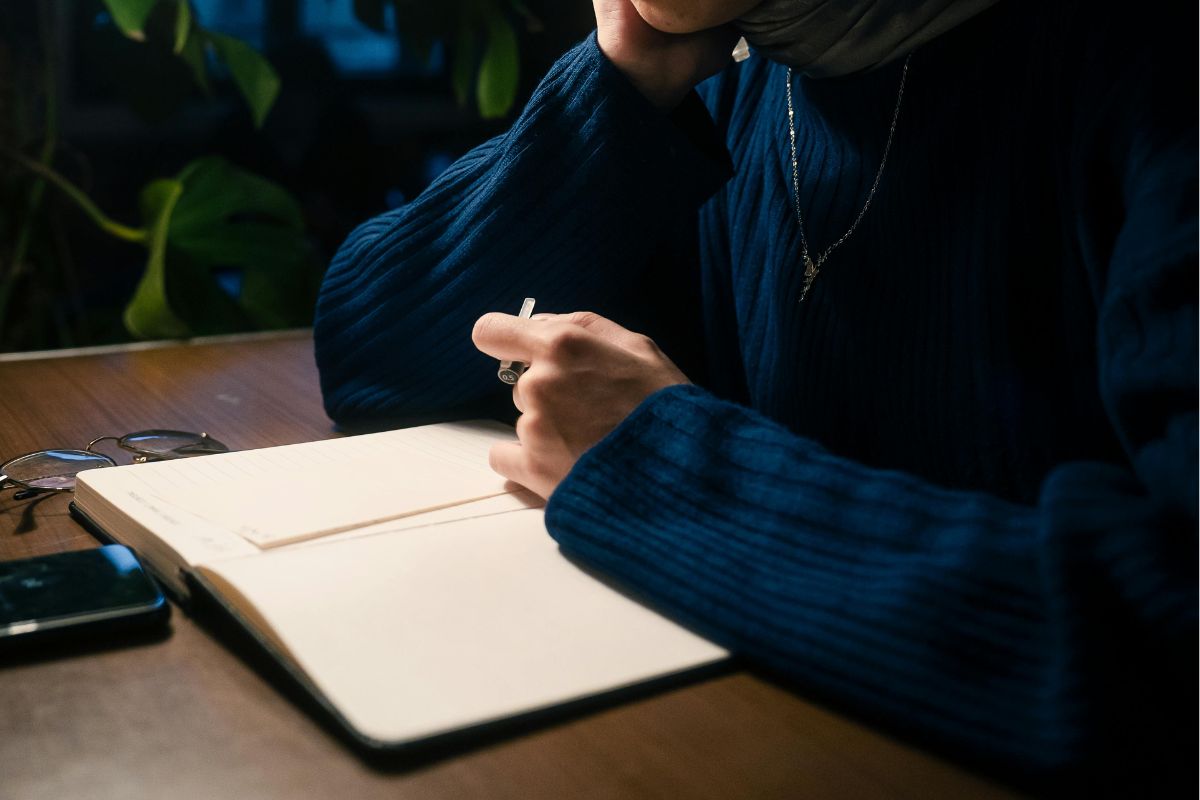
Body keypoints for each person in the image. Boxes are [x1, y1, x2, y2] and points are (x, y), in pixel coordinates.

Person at [314, 0, 1196, 792]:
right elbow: (371, 356)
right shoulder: (757, 62)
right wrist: (616, 90)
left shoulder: (1152, 61)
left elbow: (1168, 638)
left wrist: (669, 467)